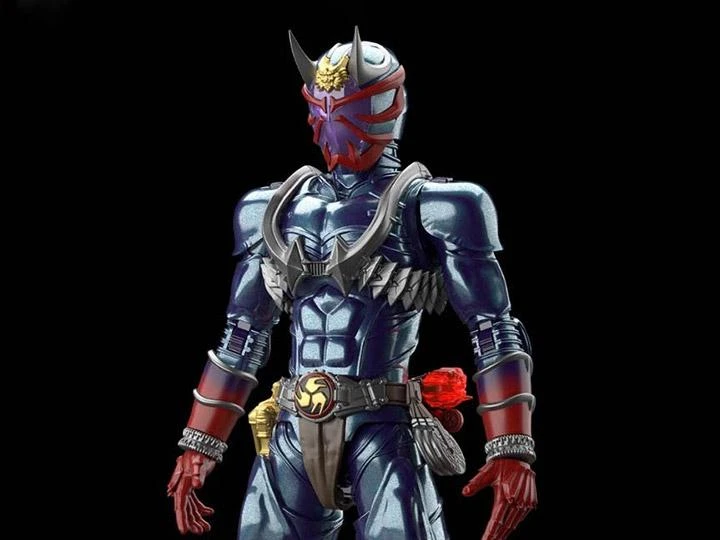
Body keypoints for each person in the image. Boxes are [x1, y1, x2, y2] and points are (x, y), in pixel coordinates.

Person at [167, 27, 537, 540]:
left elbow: (493, 329)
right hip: (291, 424)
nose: (332, 117)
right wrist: (198, 444)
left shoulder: (439, 206)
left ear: (389, 105)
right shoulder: (272, 209)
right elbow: (243, 335)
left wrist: (512, 447)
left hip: (383, 428)